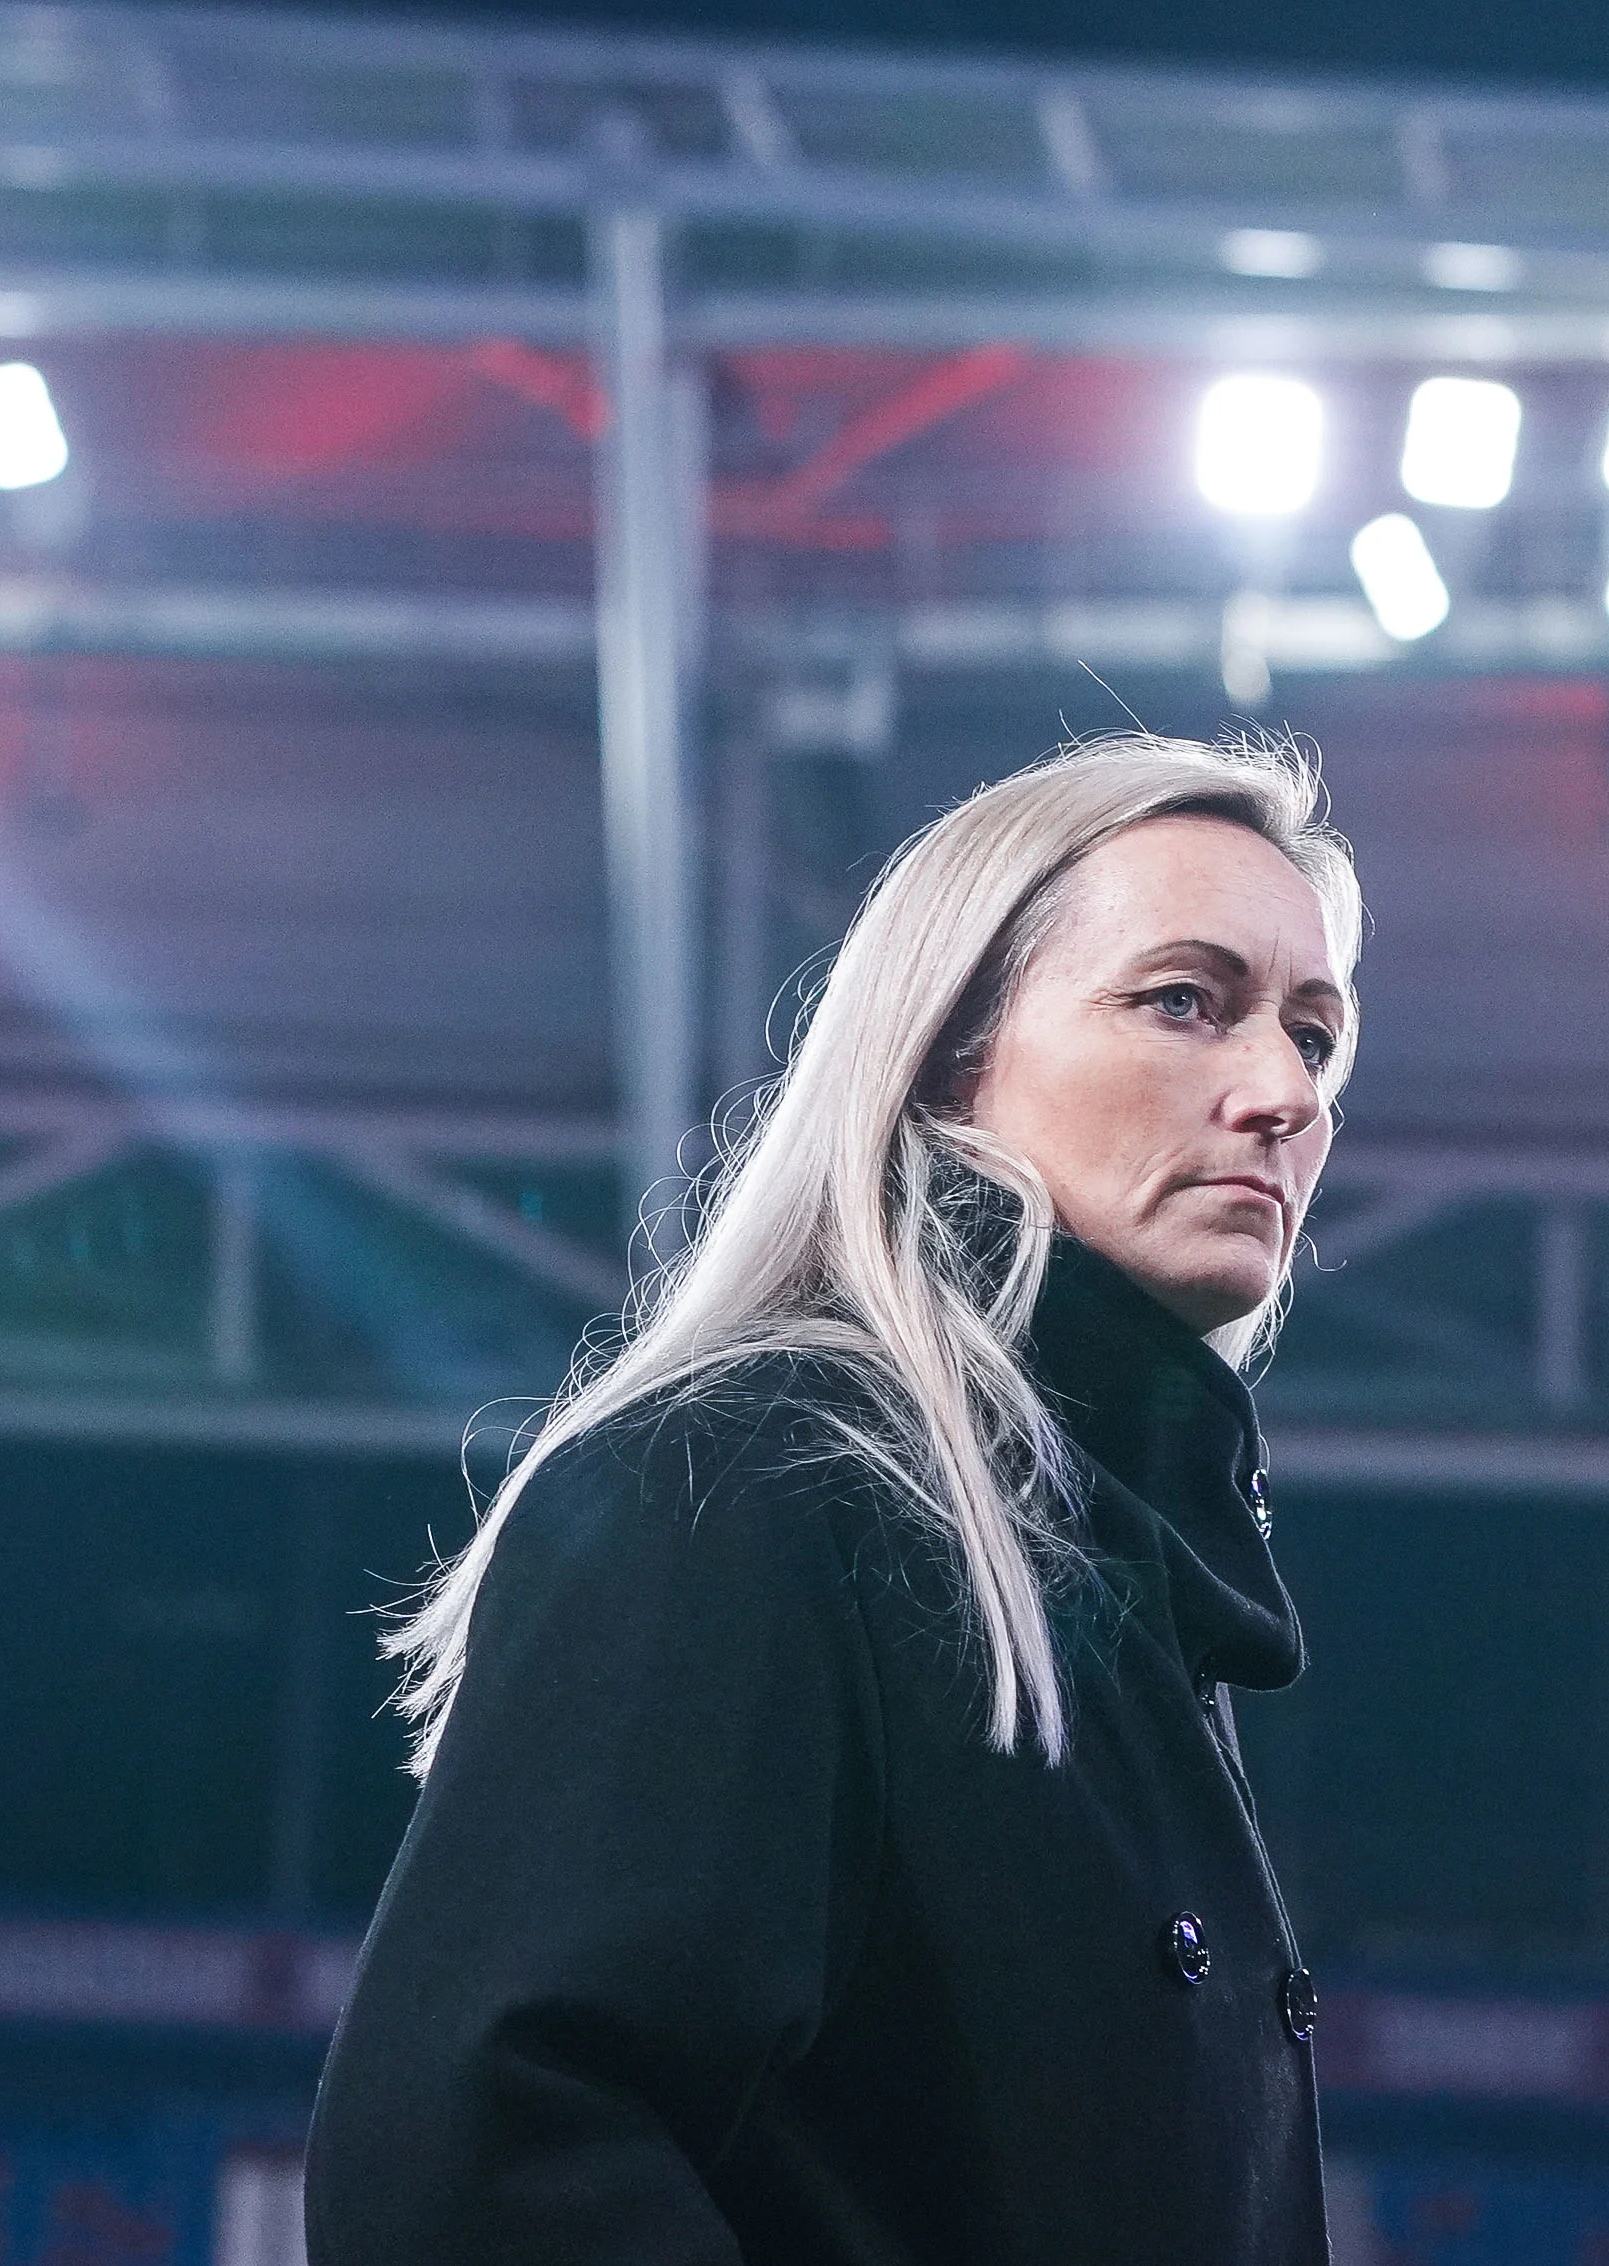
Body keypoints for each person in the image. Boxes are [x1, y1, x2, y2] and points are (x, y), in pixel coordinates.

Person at [306, 734, 1364, 2265]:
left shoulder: (1111, 1588)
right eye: (1184, 1002)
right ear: (949, 1055)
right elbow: (477, 2156)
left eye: (1315, 1036)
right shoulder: (753, 1478)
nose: (1280, 1091)